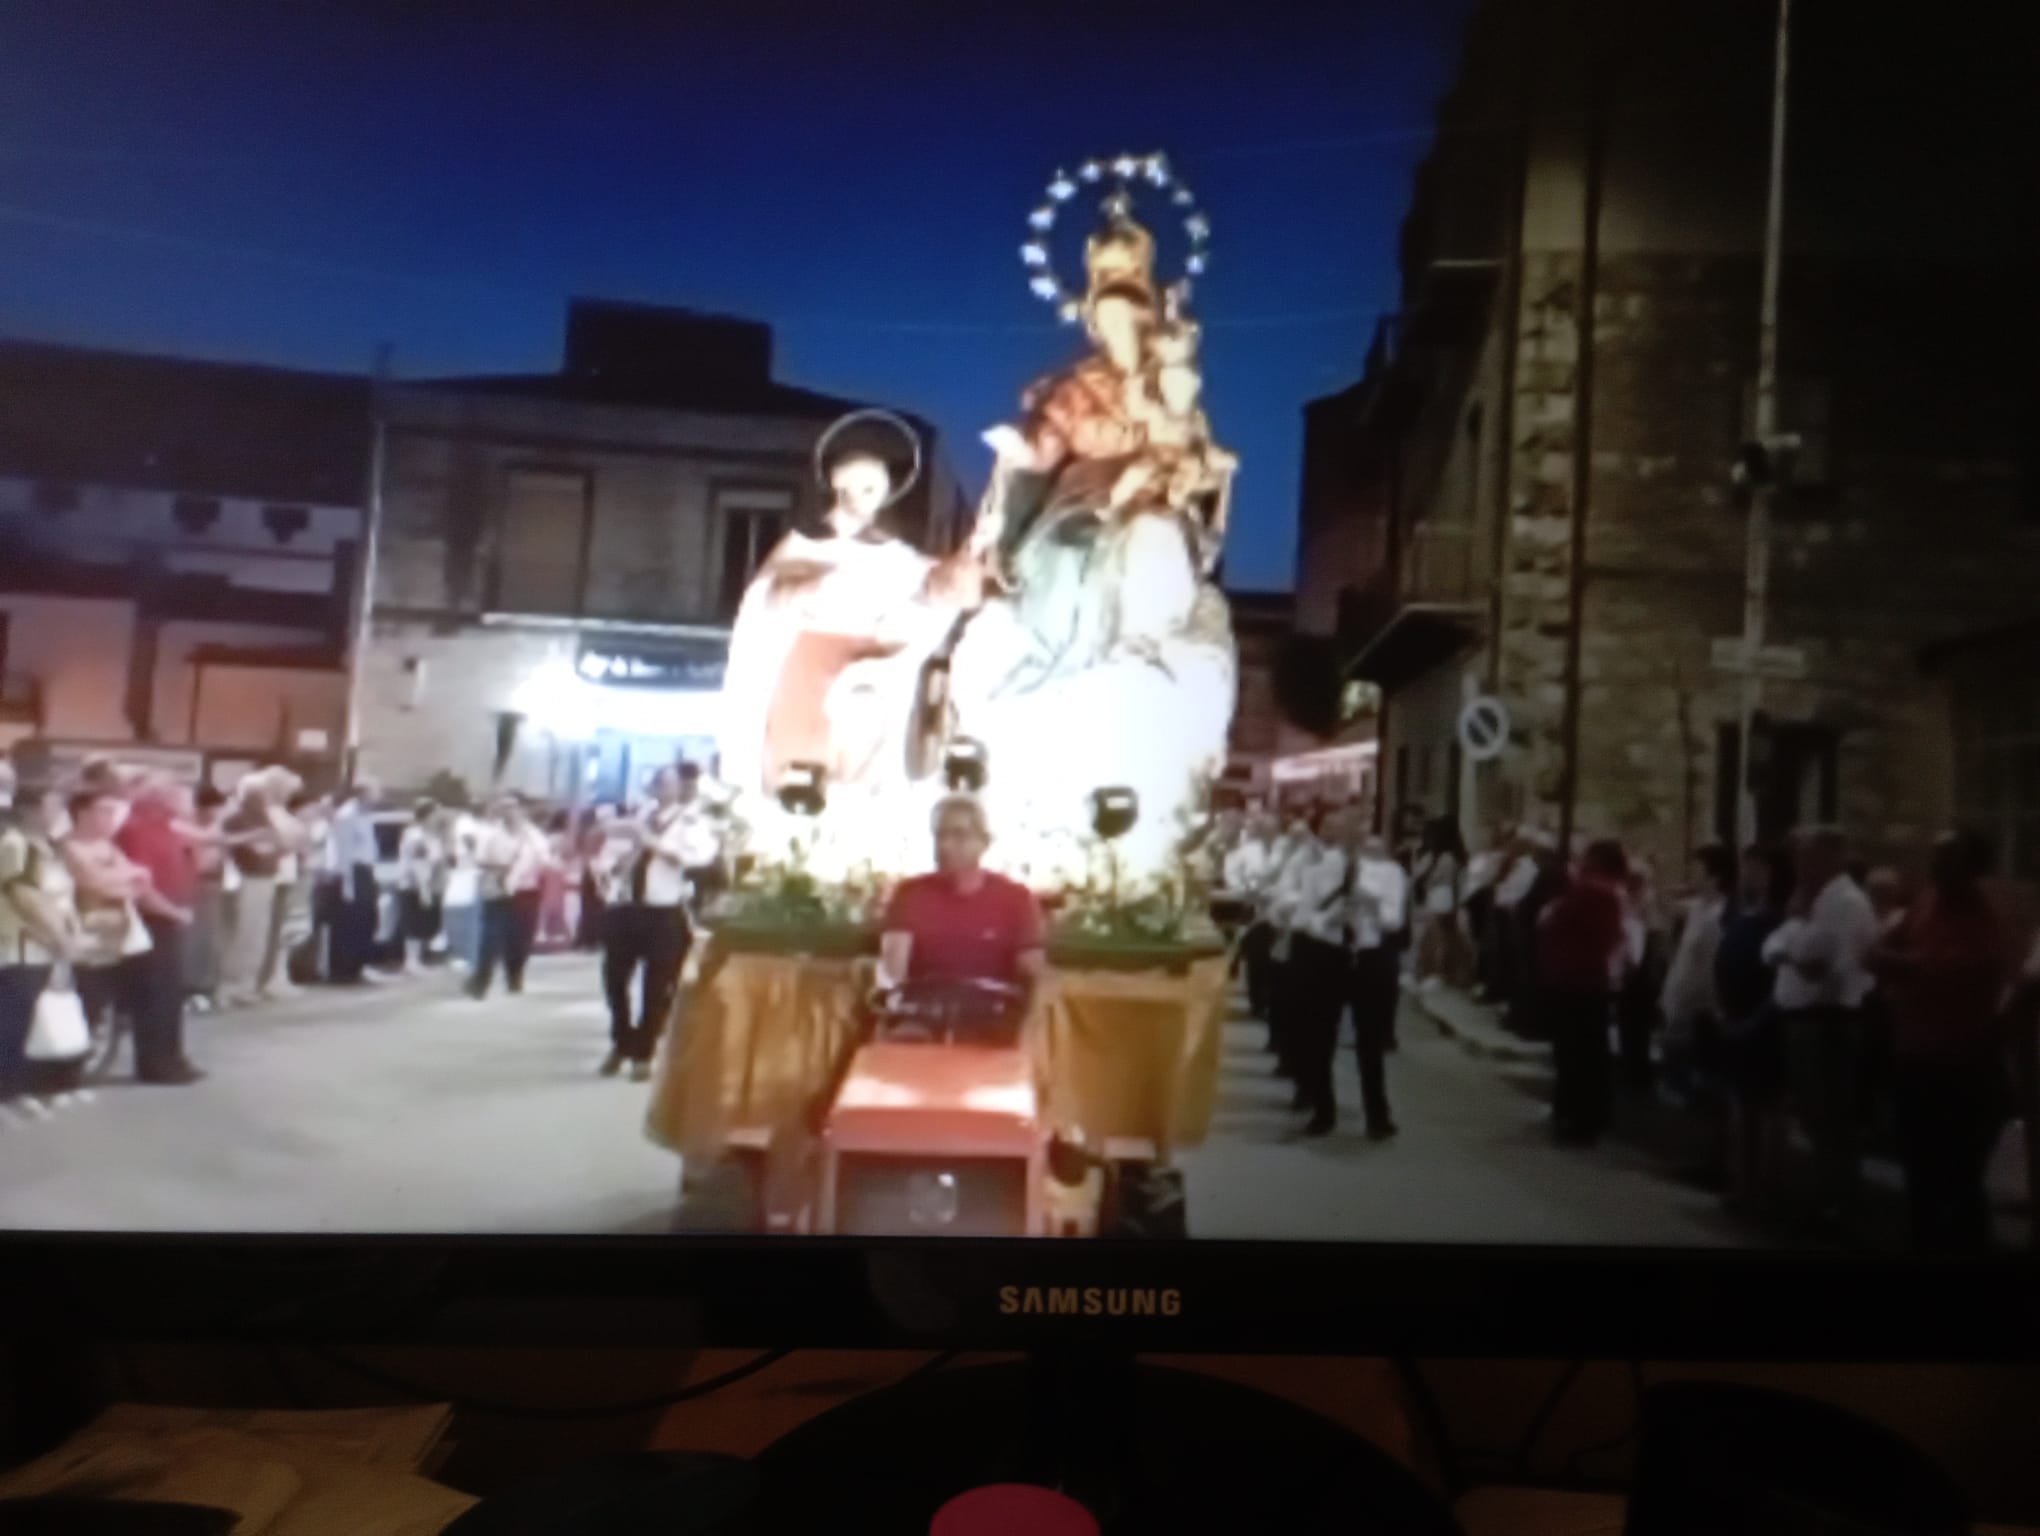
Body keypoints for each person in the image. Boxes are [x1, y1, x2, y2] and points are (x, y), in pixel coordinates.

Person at [1868, 830, 2010, 1253]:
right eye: (1934, 859)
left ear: (1970, 868)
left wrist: (1906, 968)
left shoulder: (1984, 917)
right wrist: (1906, 965)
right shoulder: (1926, 903)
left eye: (1946, 860)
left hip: (1963, 1067)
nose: (1934, 869)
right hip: (1915, 1058)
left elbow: (1945, 974)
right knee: (1919, 1171)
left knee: (1960, 1178)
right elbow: (1876, 952)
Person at [1765, 825, 1881, 1235]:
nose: (1800, 865)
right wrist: (1788, 942)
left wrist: (1787, 946)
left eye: (1808, 856)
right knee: (1818, 1118)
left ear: (1832, 857)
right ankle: (1827, 1198)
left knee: (1831, 1118)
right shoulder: (1818, 900)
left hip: (1826, 1020)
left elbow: (1813, 963)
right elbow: (1778, 943)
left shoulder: (1842, 903)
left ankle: (1838, 1205)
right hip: (1809, 1019)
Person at [878, 794, 1047, 1037]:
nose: (945, 845)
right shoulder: (910, 894)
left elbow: (1033, 977)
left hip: (993, 1023)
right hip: (921, 1019)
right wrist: (895, 1018)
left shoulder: (1016, 899)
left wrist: (1025, 1029)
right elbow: (892, 971)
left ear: (984, 842)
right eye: (939, 835)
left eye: (958, 835)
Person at [64, 787, 200, 1085]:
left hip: (121, 932)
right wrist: (126, 880)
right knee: (90, 1000)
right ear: (83, 813)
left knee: (125, 999)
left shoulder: (108, 846)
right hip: (87, 935)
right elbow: (95, 883)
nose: (110, 818)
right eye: (103, 811)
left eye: (112, 812)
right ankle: (71, 1068)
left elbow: (141, 881)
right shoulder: (69, 847)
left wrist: (130, 884)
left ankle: (152, 1059)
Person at [600, 767, 700, 1082]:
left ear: (679, 788)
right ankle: (622, 1040)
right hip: (627, 907)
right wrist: (612, 865)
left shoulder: (690, 822)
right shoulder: (640, 816)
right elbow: (612, 853)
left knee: (656, 987)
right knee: (614, 979)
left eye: (666, 783)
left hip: (663, 911)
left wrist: (652, 843)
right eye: (656, 782)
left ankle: (644, 1052)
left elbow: (694, 858)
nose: (659, 788)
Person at [1715, 843, 1794, 1213]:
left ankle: (1765, 1187)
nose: (1747, 874)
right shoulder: (1744, 913)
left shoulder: (1783, 919)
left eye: (1755, 867)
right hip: (1736, 1015)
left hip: (1762, 1020)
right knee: (1740, 1106)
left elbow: (1782, 978)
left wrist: (1754, 1020)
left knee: (1766, 1108)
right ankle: (1741, 1183)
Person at [112, 777, 205, 1084]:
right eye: (182, 794)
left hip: (173, 915)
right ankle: (155, 1062)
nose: (188, 801)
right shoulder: (136, 829)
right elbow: (141, 884)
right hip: (153, 917)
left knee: (169, 994)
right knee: (153, 994)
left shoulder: (170, 826)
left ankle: (172, 1056)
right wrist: (172, 910)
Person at [1538, 839, 1629, 1146]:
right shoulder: (1602, 895)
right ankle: (1578, 1112)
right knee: (1582, 1051)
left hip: (1577, 981)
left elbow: (1552, 921)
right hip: (1583, 980)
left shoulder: (1592, 893)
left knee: (1575, 1052)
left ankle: (1578, 1115)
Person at [1, 775, 82, 1112]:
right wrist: (59, 937)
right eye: (53, 805)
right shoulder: (16, 844)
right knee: (12, 1020)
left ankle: (22, 1085)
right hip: (20, 946)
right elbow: (24, 895)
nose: (59, 811)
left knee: (27, 1019)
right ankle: (8, 1091)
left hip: (41, 947)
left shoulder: (42, 845)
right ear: (31, 809)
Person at [1271, 805, 1351, 1137]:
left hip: (1332, 951)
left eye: (1338, 824)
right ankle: (1308, 1088)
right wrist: (1291, 910)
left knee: (1322, 1031)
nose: (1332, 829)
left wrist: (1311, 917)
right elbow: (1285, 893)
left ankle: (1324, 1107)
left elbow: (1345, 905)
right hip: (1303, 945)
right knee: (1300, 1024)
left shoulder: (1351, 862)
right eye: (1327, 823)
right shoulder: (1305, 857)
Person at [1345, 826, 1408, 1142]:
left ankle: (1377, 1114)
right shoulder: (1336, 869)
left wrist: (1366, 897)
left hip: (1372, 957)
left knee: (1369, 1039)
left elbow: (1392, 920)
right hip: (1339, 953)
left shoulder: (1391, 874)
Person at [1659, 843, 1734, 1104]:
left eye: (1699, 870)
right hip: (1680, 993)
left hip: (1698, 1001)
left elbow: (1711, 964)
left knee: (1689, 1065)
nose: (1693, 876)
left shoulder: (1718, 914)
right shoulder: (1698, 907)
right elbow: (1665, 904)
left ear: (1715, 876)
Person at [469, 796, 550, 1000]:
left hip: (526, 890)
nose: (509, 812)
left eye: (513, 808)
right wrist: (501, 870)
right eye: (504, 808)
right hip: (497, 891)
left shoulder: (533, 835)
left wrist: (526, 871)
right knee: (491, 938)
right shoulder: (490, 834)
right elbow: (479, 860)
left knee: (521, 937)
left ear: (521, 810)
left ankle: (515, 976)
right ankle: (481, 981)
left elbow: (545, 860)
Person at [1223, 805, 1284, 1033]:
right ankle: (1257, 1001)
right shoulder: (1247, 851)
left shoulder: (1285, 849)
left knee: (1275, 960)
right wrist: (1244, 891)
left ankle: (1271, 999)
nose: (1268, 832)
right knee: (1257, 957)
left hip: (1279, 910)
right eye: (1264, 828)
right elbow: (1232, 873)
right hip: (1254, 908)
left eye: (1272, 828)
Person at [325, 779, 381, 984]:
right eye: (375, 791)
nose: (378, 796)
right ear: (362, 793)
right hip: (353, 872)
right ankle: (343, 970)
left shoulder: (366, 815)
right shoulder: (347, 816)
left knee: (367, 920)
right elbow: (344, 851)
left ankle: (359, 965)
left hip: (366, 870)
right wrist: (348, 884)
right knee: (351, 922)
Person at [396, 798, 445, 972]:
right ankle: (411, 960)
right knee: (414, 922)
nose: (439, 816)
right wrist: (424, 889)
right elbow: (418, 864)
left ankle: (419, 959)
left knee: (424, 922)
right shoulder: (416, 835)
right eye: (436, 813)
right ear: (427, 815)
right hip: (414, 885)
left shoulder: (431, 835)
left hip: (429, 883)